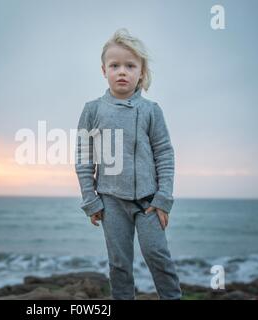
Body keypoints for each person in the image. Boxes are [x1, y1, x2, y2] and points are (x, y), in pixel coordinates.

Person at [75, 28, 182, 300]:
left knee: (158, 257)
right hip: (110, 201)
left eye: (130, 66)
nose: (122, 71)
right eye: (115, 65)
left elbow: (165, 155)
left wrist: (163, 198)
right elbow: (84, 158)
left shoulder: (151, 110)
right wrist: (91, 200)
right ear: (104, 71)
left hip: (148, 203)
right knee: (119, 266)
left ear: (141, 72)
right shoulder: (93, 110)